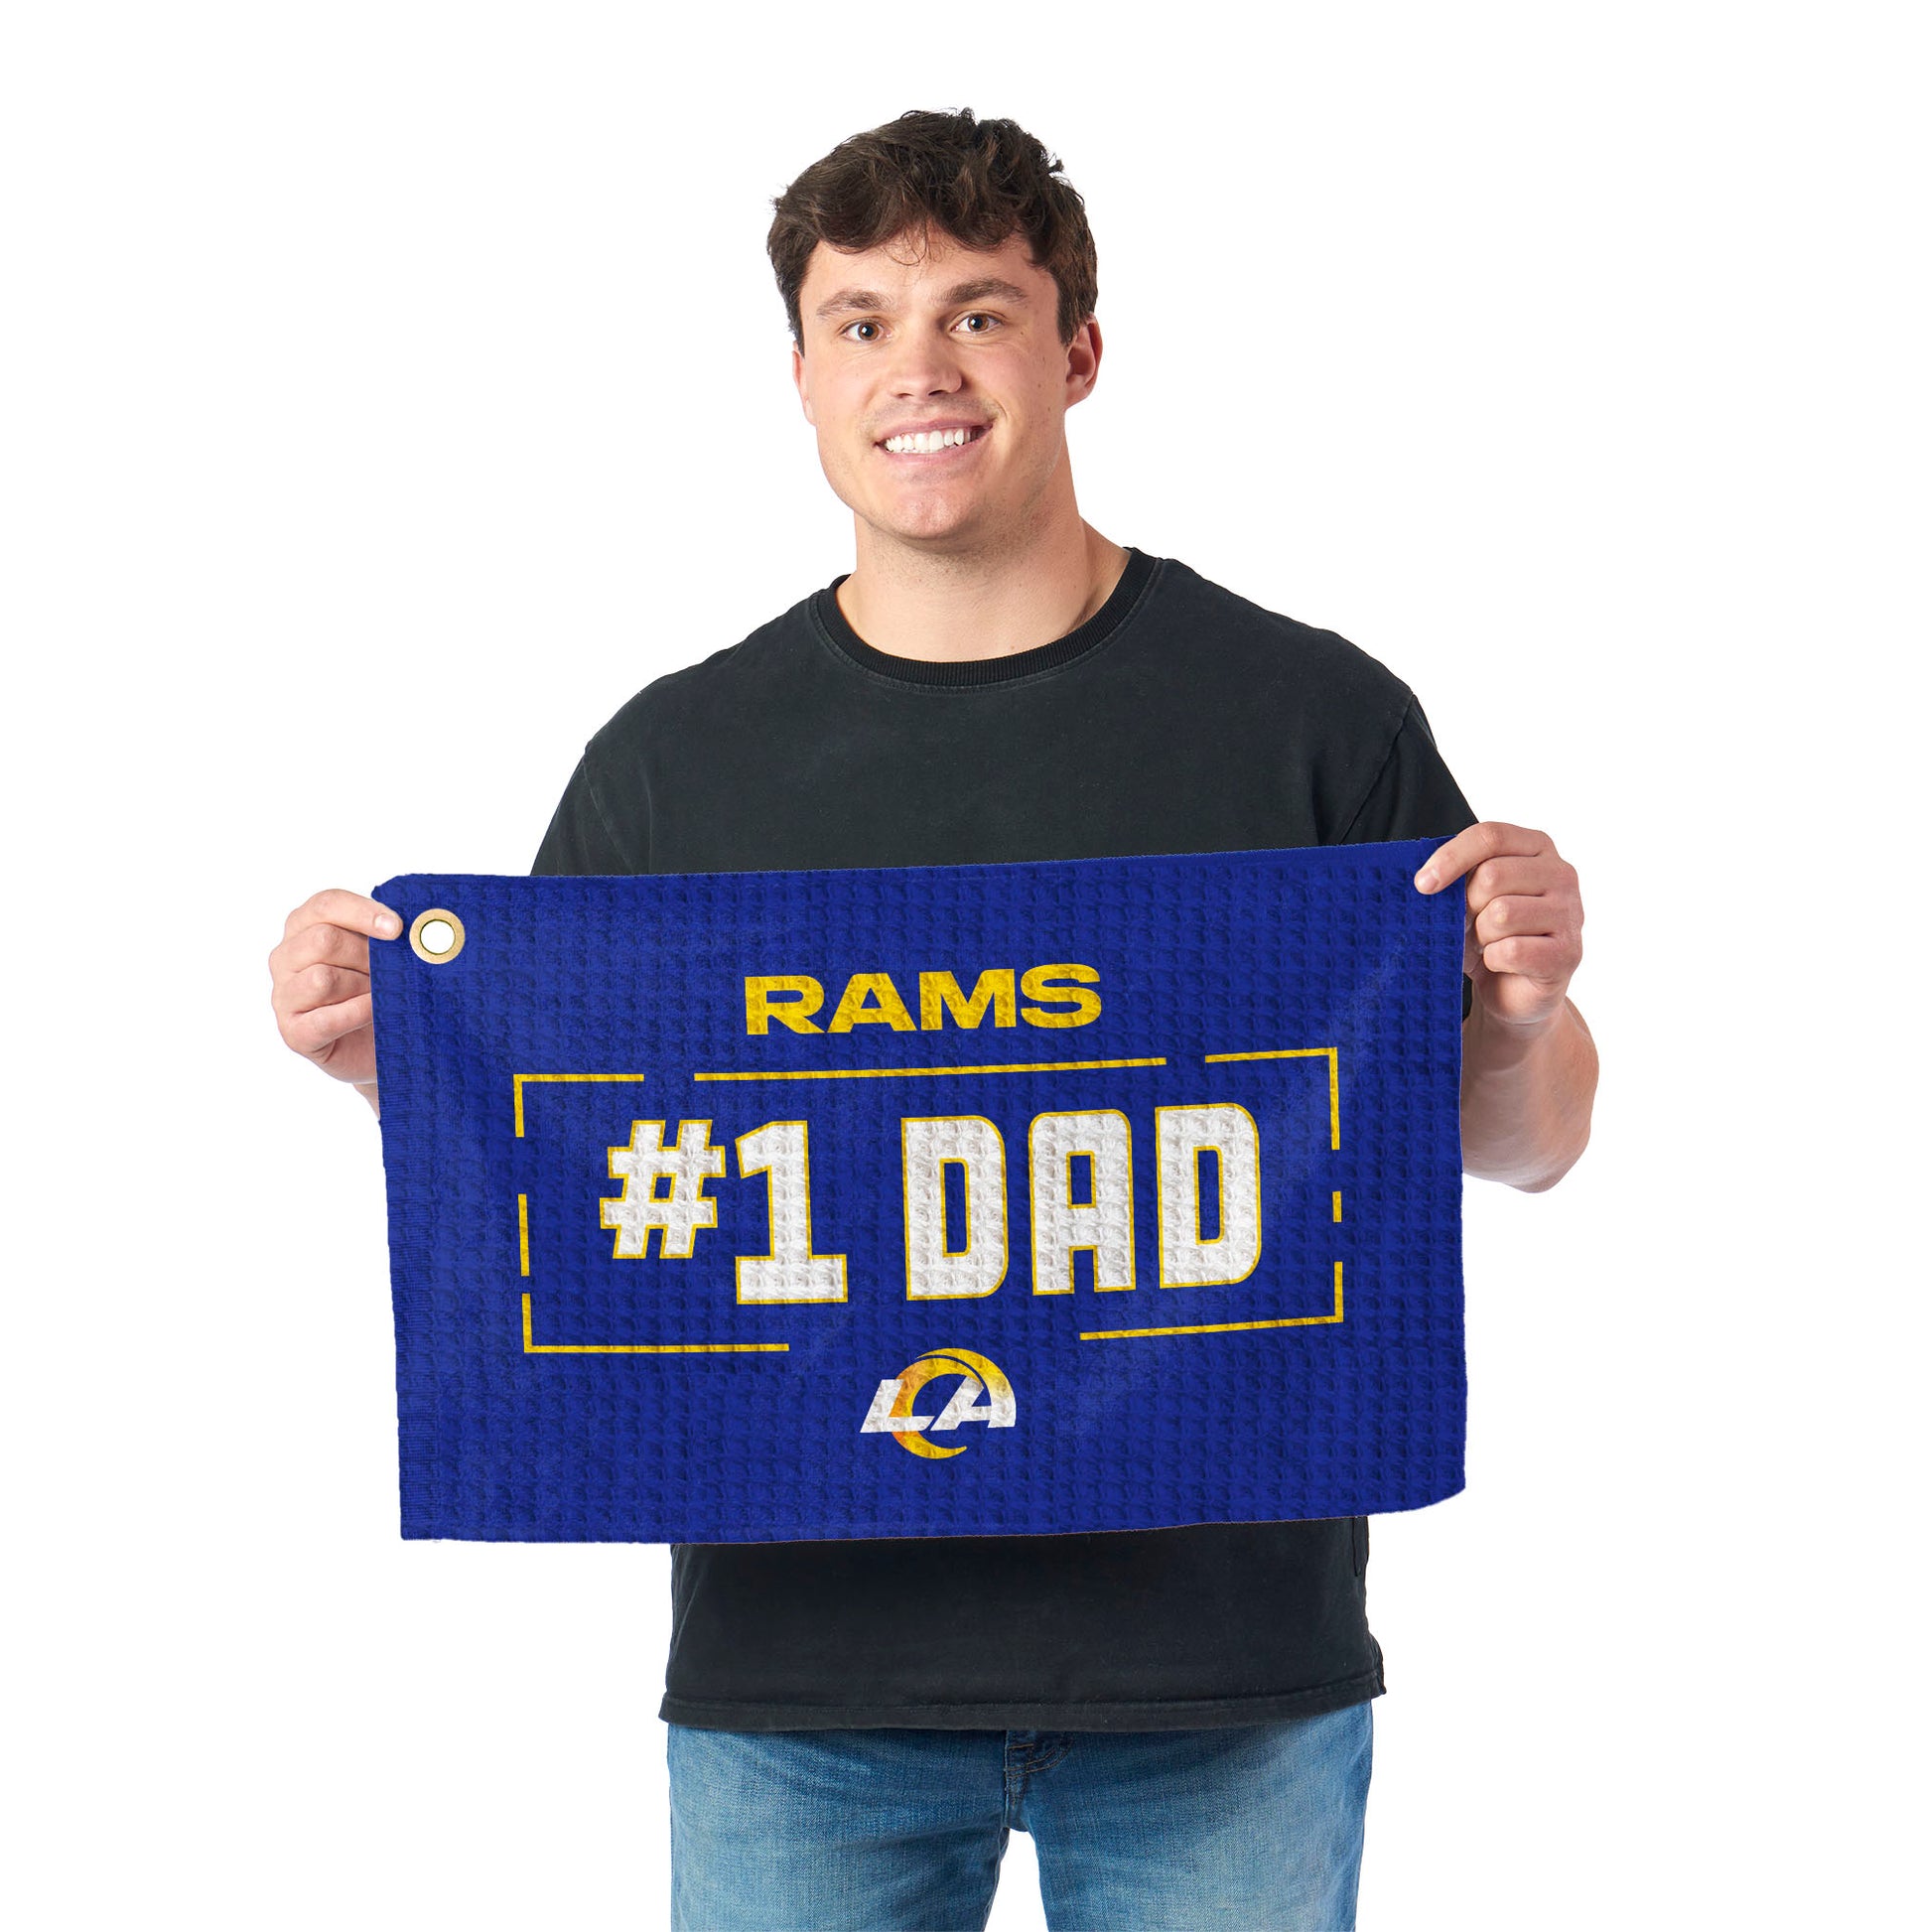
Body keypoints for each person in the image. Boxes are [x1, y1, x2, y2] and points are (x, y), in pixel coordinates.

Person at [270, 108, 1597, 1932]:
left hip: (1224, 1675)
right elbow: (580, 1169)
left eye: (978, 312)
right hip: (801, 1688)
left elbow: (1529, 1140)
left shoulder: (1305, 714)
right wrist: (398, 1069)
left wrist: (1516, 1016)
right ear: (802, 375)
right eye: (862, 321)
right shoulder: (677, 761)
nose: (921, 368)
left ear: (1077, 351)